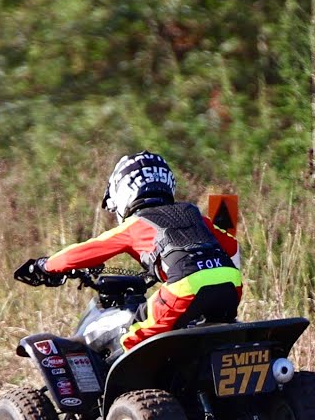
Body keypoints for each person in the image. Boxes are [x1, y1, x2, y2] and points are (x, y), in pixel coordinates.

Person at [23, 151, 242, 353]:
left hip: (184, 289)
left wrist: (44, 265)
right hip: (231, 284)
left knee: (130, 341)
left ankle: (129, 394)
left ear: (122, 191)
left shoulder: (136, 224)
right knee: (209, 334)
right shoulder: (193, 214)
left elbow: (81, 253)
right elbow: (231, 246)